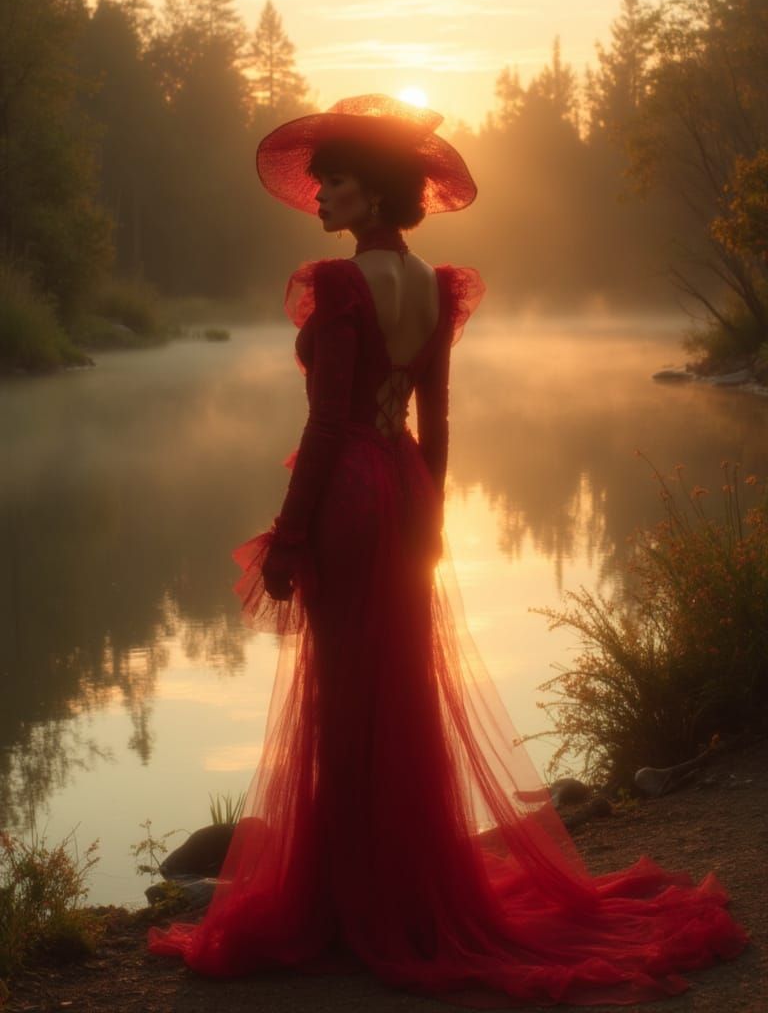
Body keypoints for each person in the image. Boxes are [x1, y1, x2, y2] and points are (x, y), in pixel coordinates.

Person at [147, 94, 749, 1006]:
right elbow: (435, 419)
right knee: (396, 692)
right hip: (404, 490)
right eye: (319, 184)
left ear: (376, 190)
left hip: (348, 489)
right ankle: (394, 888)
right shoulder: (435, 287)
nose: (318, 197)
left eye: (335, 181)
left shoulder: (342, 286)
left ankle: (354, 901)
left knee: (347, 693)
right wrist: (429, 519)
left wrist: (291, 533)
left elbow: (324, 427)